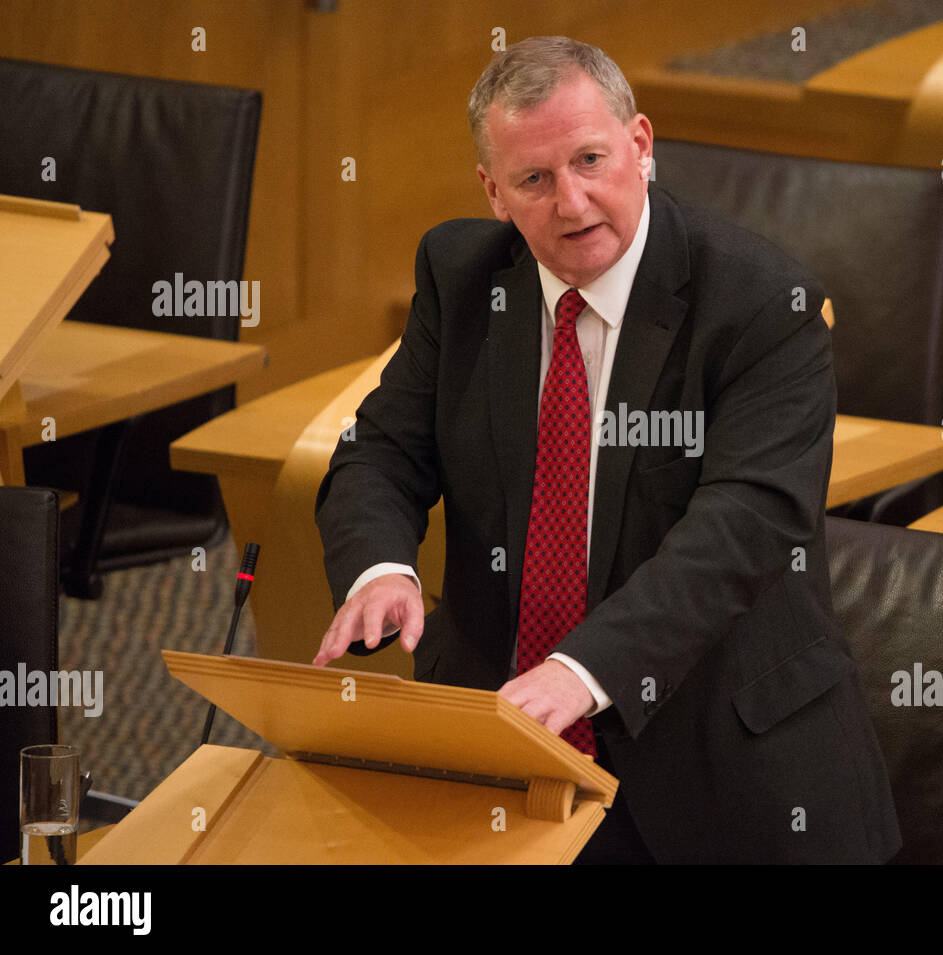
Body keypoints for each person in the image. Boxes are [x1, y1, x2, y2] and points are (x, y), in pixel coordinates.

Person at [313, 35, 900, 864]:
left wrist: (580, 669)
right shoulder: (462, 274)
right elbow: (381, 451)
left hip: (724, 770)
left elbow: (742, 528)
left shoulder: (763, 304)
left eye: (592, 159)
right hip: (506, 750)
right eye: (535, 179)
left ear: (642, 146)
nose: (572, 201)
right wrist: (382, 568)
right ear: (494, 193)